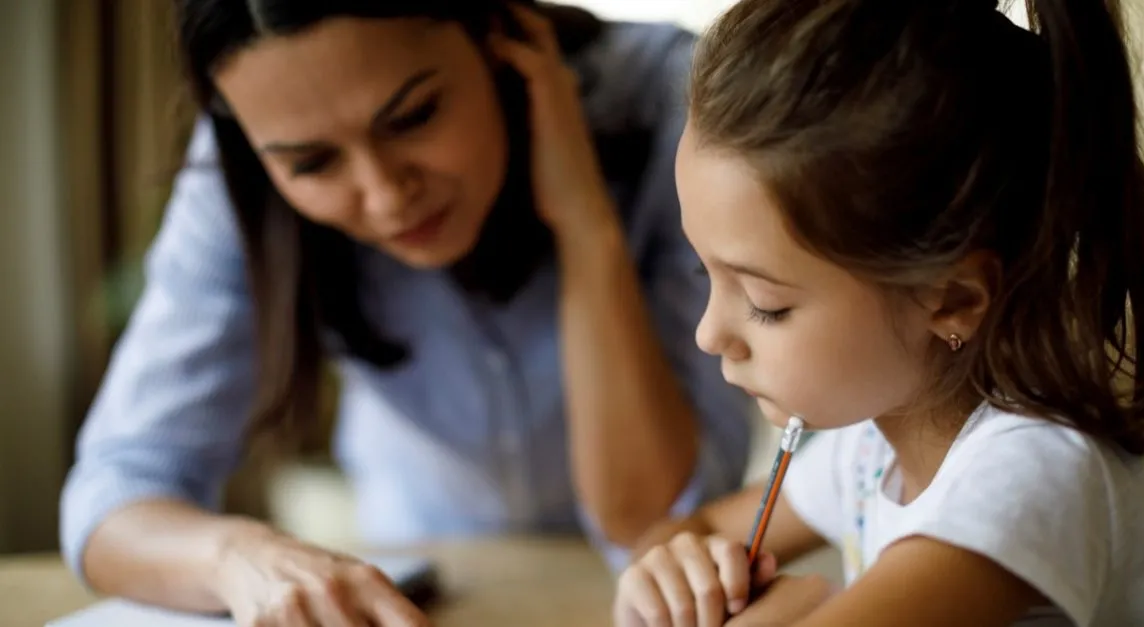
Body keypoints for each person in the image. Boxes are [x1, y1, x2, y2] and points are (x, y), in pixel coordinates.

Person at [59, 1, 752, 625]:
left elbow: (650, 520)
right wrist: (237, 554)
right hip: (425, 576)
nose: (385, 196)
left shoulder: (671, 101)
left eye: (414, 116)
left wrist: (584, 223)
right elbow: (117, 486)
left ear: (496, 34)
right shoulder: (245, 161)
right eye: (312, 165)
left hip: (641, 590)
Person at [613, 0, 1144, 625]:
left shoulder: (1035, 475)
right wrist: (666, 577)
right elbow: (692, 529)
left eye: (766, 304)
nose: (710, 334)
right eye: (707, 273)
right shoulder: (870, 449)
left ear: (952, 300)